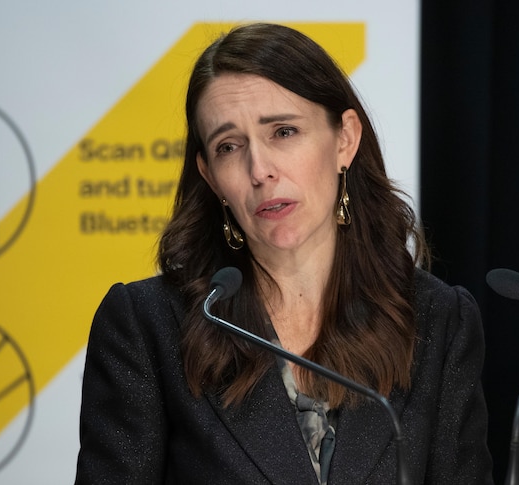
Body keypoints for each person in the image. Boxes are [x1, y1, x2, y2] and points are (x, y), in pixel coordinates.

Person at [75, 22, 493, 484]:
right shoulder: (147, 326)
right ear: (211, 177)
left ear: (344, 140)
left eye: (284, 132)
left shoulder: (438, 321)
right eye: (229, 147)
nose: (260, 170)